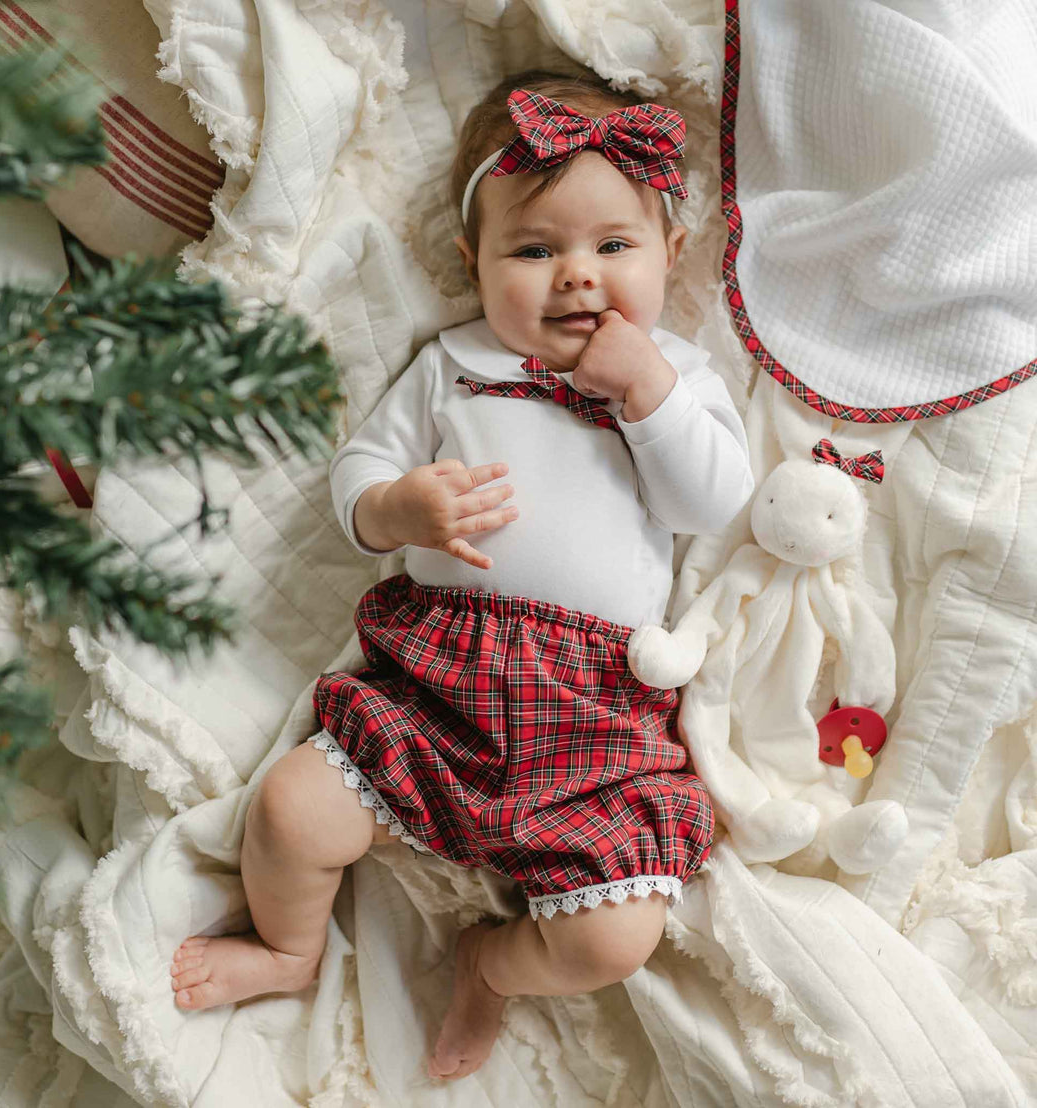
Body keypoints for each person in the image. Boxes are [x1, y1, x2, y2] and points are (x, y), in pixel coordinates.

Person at [169, 68, 755, 1082]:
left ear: (669, 254)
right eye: (534, 249)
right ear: (471, 261)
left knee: (618, 936)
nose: (577, 276)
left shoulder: (679, 376)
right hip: (437, 686)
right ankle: (287, 948)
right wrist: (398, 507)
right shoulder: (453, 364)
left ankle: (495, 964)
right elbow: (357, 470)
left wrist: (647, 395)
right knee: (290, 810)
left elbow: (710, 503)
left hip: (594, 716)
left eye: (612, 246)